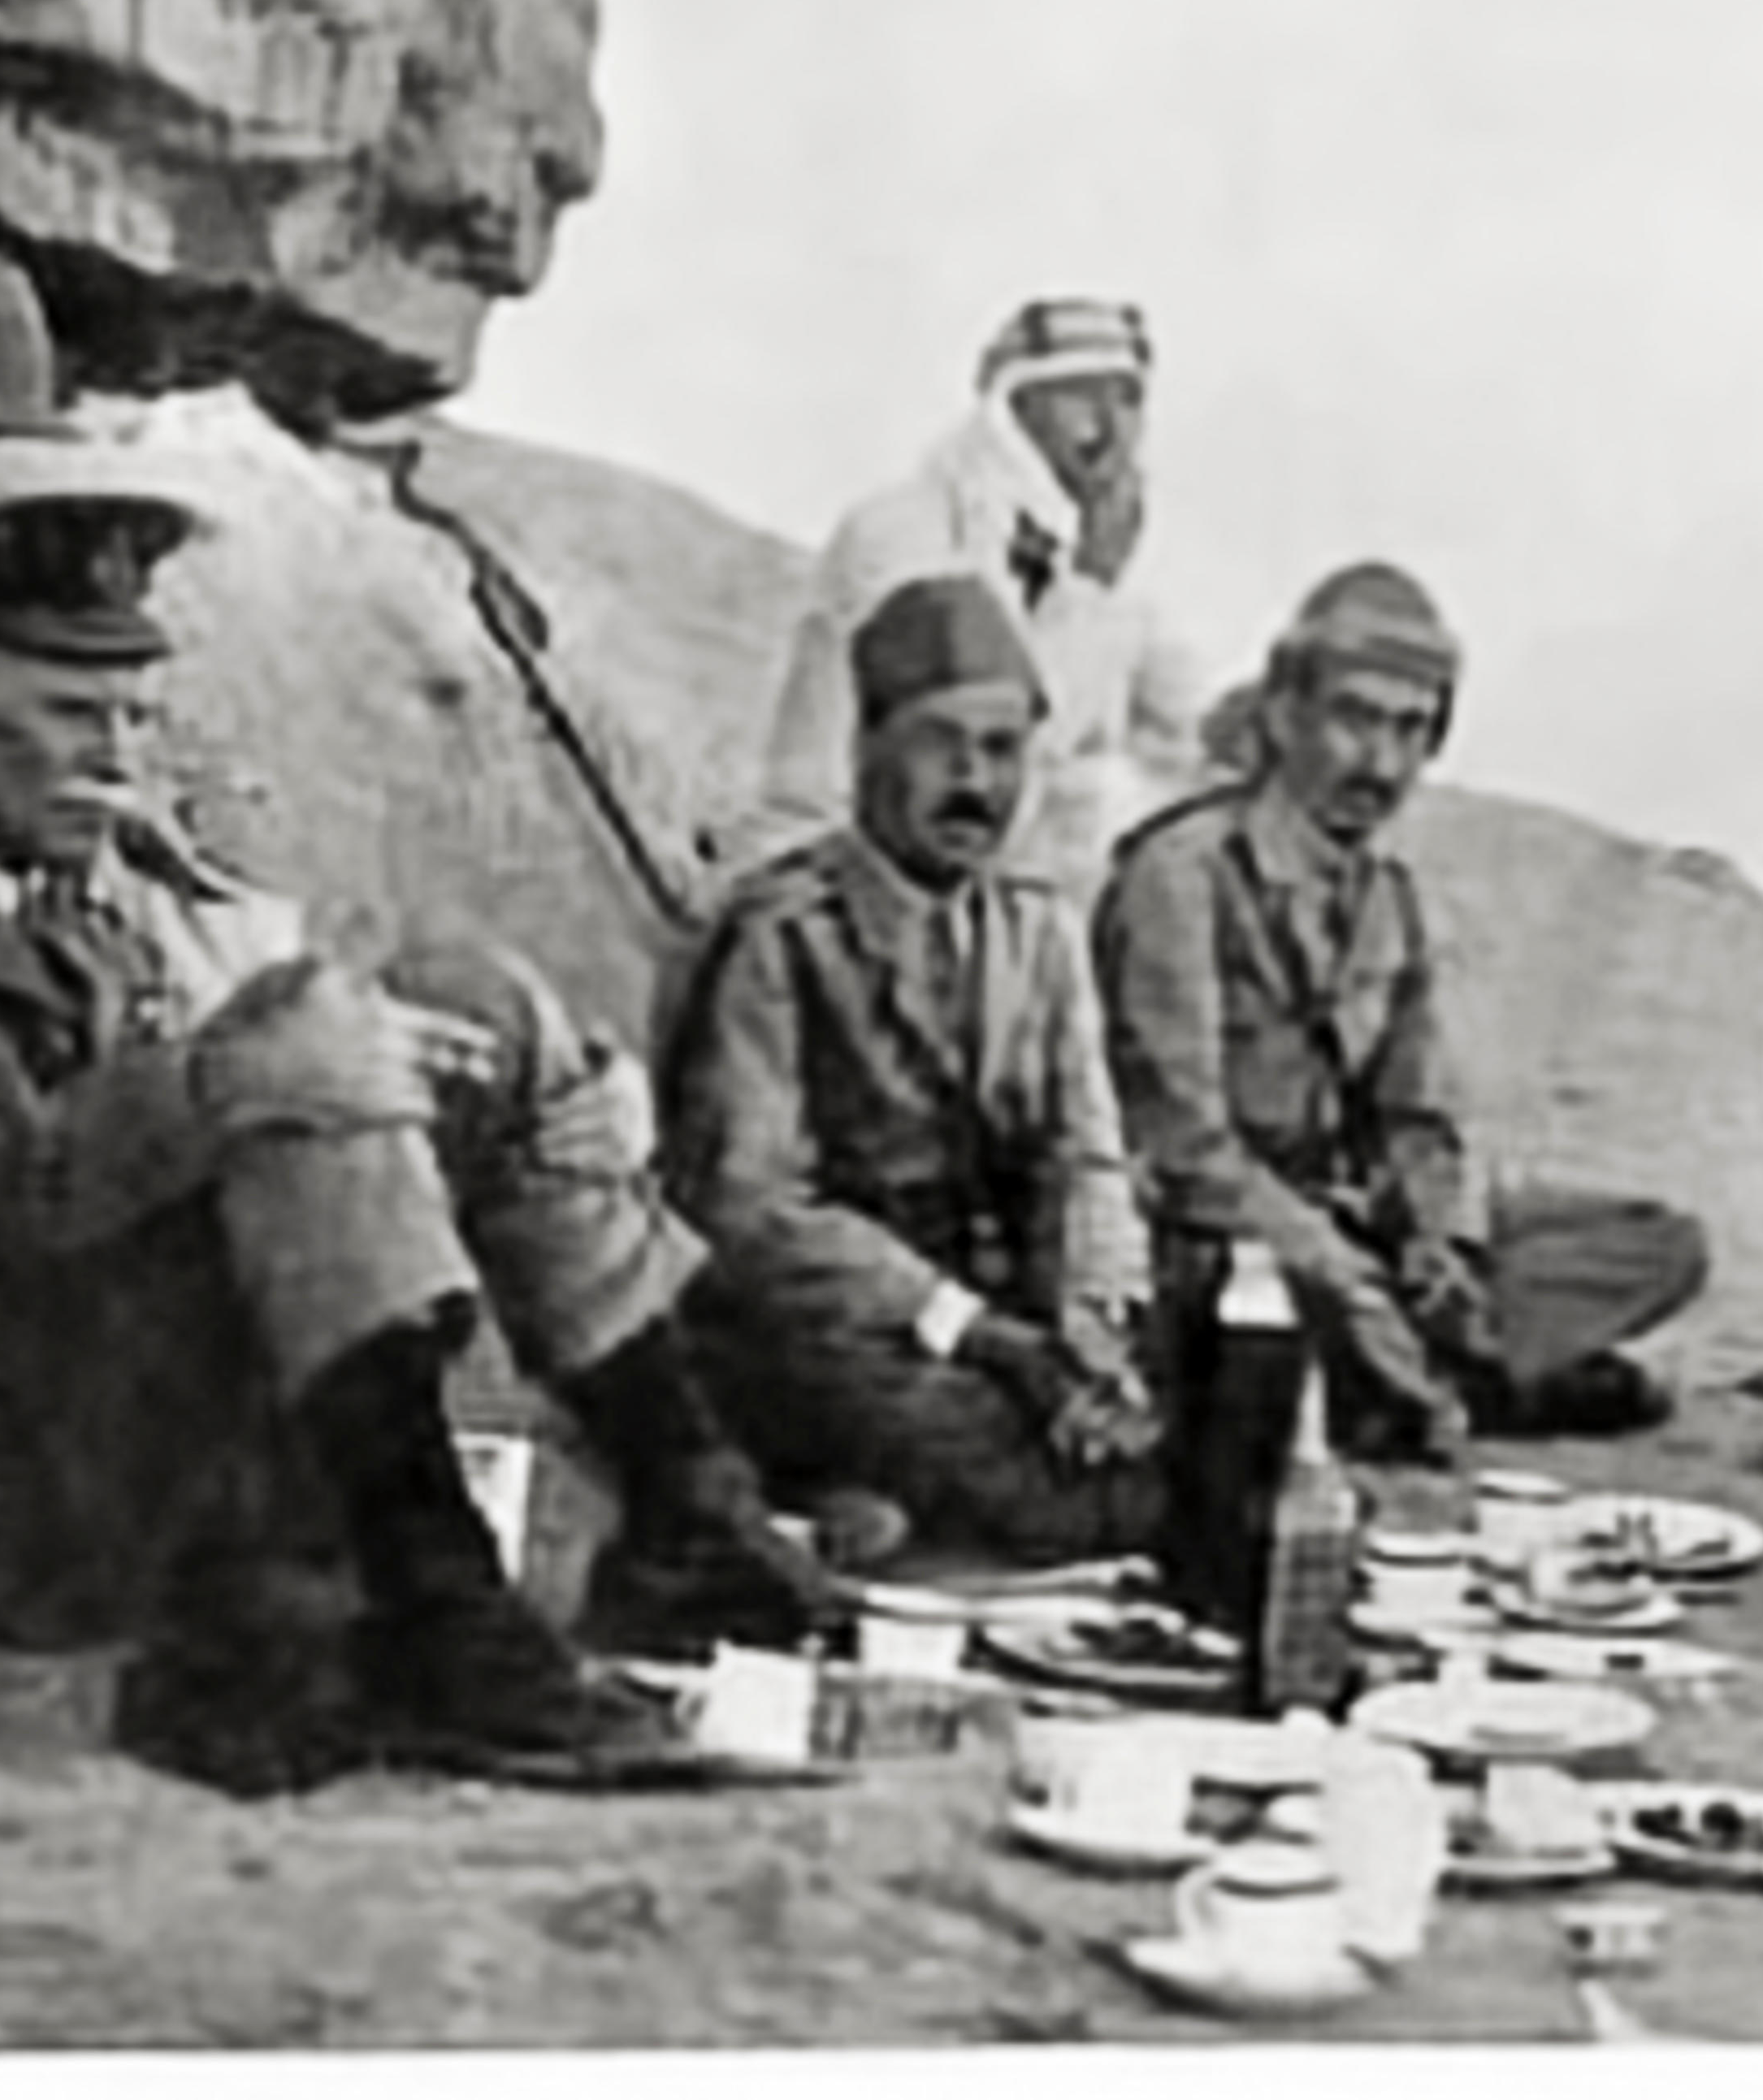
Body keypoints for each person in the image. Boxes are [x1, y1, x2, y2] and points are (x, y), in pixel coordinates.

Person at [0, 487, 833, 1795]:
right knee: (302, 1039)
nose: (120, 757)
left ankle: (684, 1501)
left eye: (137, 716)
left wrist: (573, 1088)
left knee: (469, 991)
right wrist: (240, 1071)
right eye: (75, 715)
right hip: (5, 1437)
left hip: (179, 1392)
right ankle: (441, 1607)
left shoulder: (109, 892)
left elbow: (286, 1063)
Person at [1095, 561, 1706, 1457]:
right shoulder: (1179, 876)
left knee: (1658, 1244)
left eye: (1410, 730)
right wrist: (1339, 1268)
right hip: (1221, 1238)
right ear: (1282, 712)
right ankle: (1430, 1379)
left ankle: (1422, 1369)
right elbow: (1182, 1147)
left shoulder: (1389, 899)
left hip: (1348, 1228)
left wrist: (1437, 1249)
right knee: (1266, 1298)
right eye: (1354, 719)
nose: (1380, 763)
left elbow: (1416, 1122)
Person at [657, 574, 1164, 1561]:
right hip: (829, 1330)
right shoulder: (780, 933)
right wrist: (983, 1334)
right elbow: (749, 1210)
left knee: (1202, 1411)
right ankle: (839, 1505)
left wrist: (1091, 1331)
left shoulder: (1039, 930)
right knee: (1046, 1487)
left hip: (1002, 1335)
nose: (974, 781)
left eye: (1002, 749)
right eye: (943, 743)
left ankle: (888, 1506)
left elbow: (1086, 1154)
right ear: (866, 746)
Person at [743, 295, 1205, 905]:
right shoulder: (905, 530)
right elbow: (980, 738)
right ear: (1018, 404)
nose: (1112, 428)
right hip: (839, 880)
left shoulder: (1094, 561)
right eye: (1082, 396)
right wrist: (1091, 590)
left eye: (1127, 399)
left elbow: (1185, 736)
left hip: (980, 902)